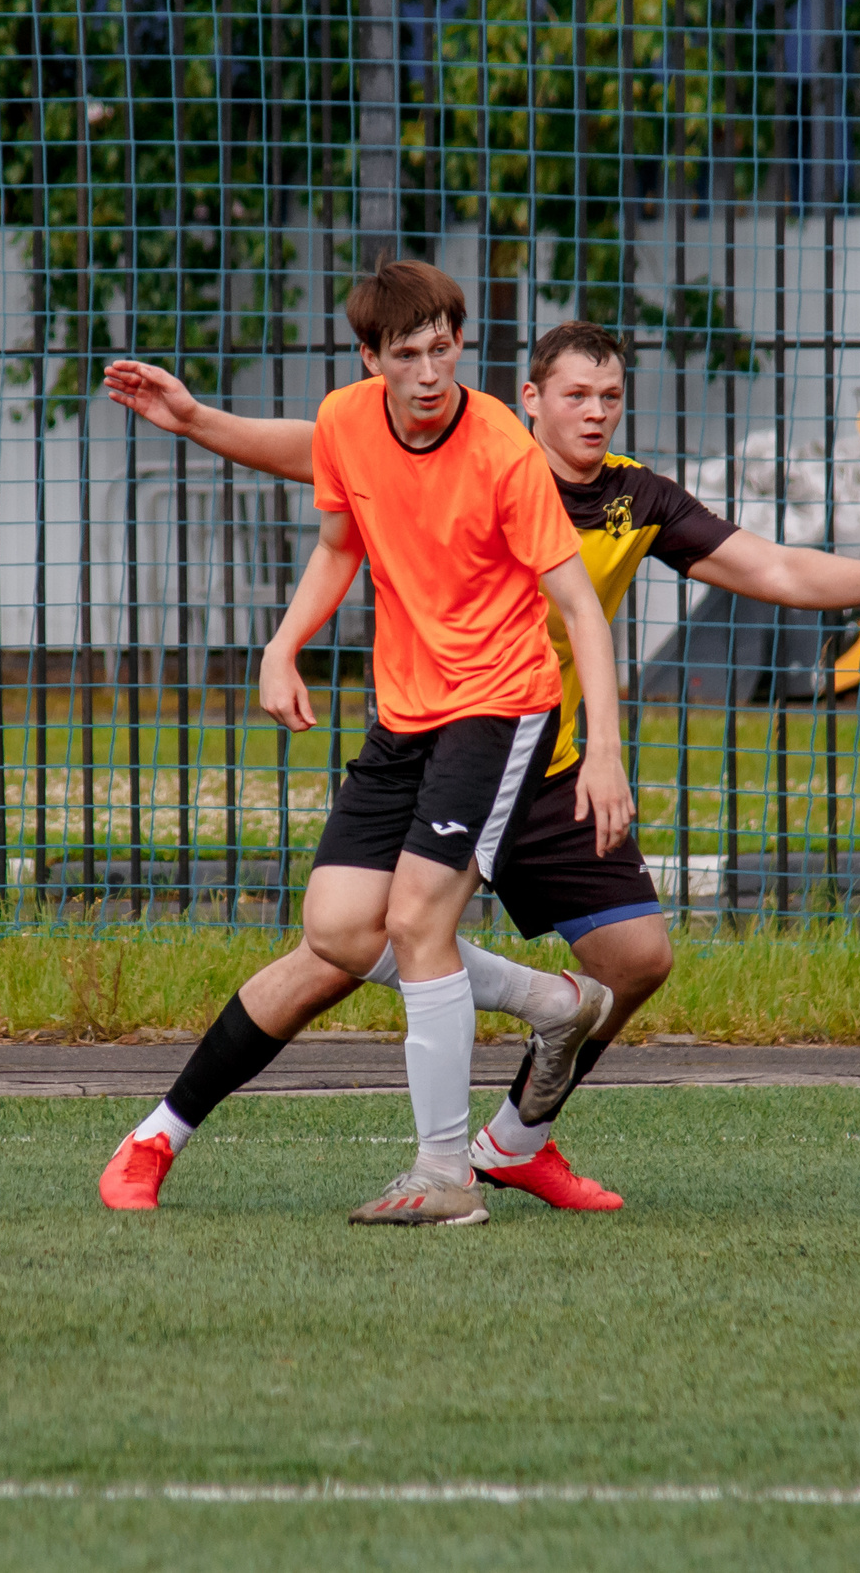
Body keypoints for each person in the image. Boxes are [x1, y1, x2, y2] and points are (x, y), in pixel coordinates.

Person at [99, 319, 860, 1211]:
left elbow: (779, 569)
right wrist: (198, 418)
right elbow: (320, 445)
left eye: (610, 397)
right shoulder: (476, 450)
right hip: (461, 741)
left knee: (635, 958)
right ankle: (158, 1135)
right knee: (335, 950)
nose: (595, 414)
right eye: (575, 395)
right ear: (531, 399)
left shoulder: (640, 500)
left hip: (552, 762)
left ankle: (514, 1142)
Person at [105, 263, 636, 1229]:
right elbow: (342, 544)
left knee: (419, 921)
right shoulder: (348, 421)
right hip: (408, 712)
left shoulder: (504, 453)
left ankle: (445, 1175)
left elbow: (580, 615)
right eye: (407, 355)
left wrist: (603, 749)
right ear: (370, 358)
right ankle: (555, 1003)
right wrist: (282, 643)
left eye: (445, 349)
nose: (431, 372)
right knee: (343, 930)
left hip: (503, 704)